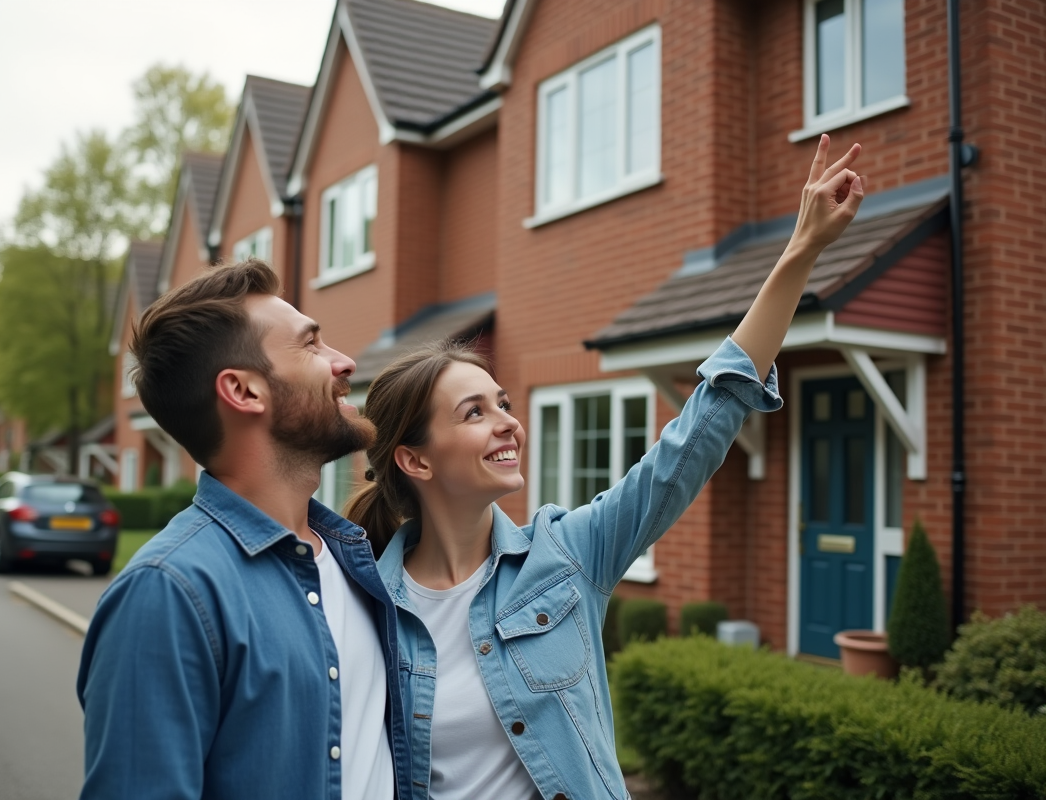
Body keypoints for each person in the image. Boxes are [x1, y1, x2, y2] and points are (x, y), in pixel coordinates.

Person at [344, 135, 866, 800]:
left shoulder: (567, 556)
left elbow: (697, 434)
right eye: (474, 412)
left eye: (504, 404)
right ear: (414, 458)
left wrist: (802, 249)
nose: (508, 422)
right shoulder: (367, 606)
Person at [77, 260, 411, 800]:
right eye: (311, 345)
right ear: (243, 391)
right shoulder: (167, 592)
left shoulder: (356, 559)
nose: (344, 361)